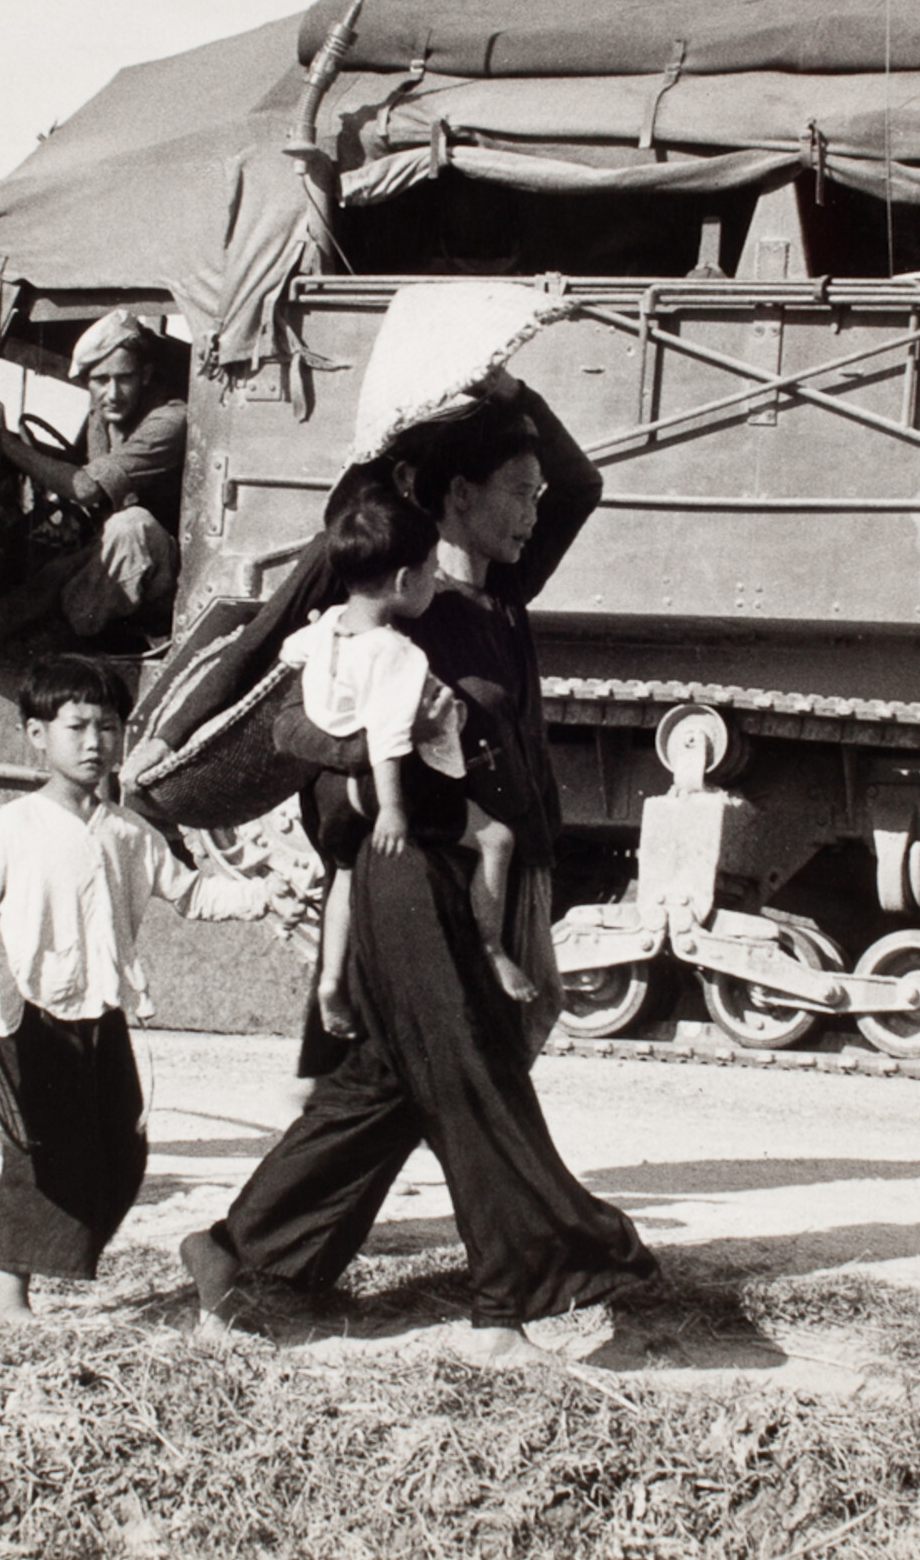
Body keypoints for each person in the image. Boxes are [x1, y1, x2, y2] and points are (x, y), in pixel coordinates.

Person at [176, 372, 656, 1366]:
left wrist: (507, 388)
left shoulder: (495, 593)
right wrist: (383, 797)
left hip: (473, 877)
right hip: (407, 880)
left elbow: (578, 484)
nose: (536, 507)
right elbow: (309, 755)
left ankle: (244, 1261)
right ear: (451, 496)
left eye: (532, 492)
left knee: (389, 1084)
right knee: (471, 1076)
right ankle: (513, 1301)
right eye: (514, 490)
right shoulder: (390, 617)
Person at [0, 653, 275, 1323]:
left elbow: (195, 894)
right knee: (43, 1165)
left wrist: (269, 893)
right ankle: (7, 1292)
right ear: (37, 736)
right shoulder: (16, 827)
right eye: (77, 727)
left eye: (110, 728)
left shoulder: (129, 832)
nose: (95, 744)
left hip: (106, 1015)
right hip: (33, 1019)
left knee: (121, 1158)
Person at [279, 478, 530, 1040]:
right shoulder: (399, 652)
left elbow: (288, 652)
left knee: (343, 872)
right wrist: (393, 809)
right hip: (383, 785)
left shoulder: (324, 632)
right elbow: (392, 736)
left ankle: (331, 977)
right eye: (430, 569)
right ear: (402, 581)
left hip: (329, 790)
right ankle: (491, 947)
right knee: (496, 840)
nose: (436, 579)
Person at [0, 311, 188, 640]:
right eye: (101, 380)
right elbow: (84, 478)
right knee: (50, 572)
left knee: (131, 527)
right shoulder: (103, 414)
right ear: (86, 383)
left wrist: (7, 446)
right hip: (122, 560)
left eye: (124, 377)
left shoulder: (170, 420)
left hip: (169, 578)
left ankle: (67, 646)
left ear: (145, 375)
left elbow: (85, 487)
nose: (113, 392)